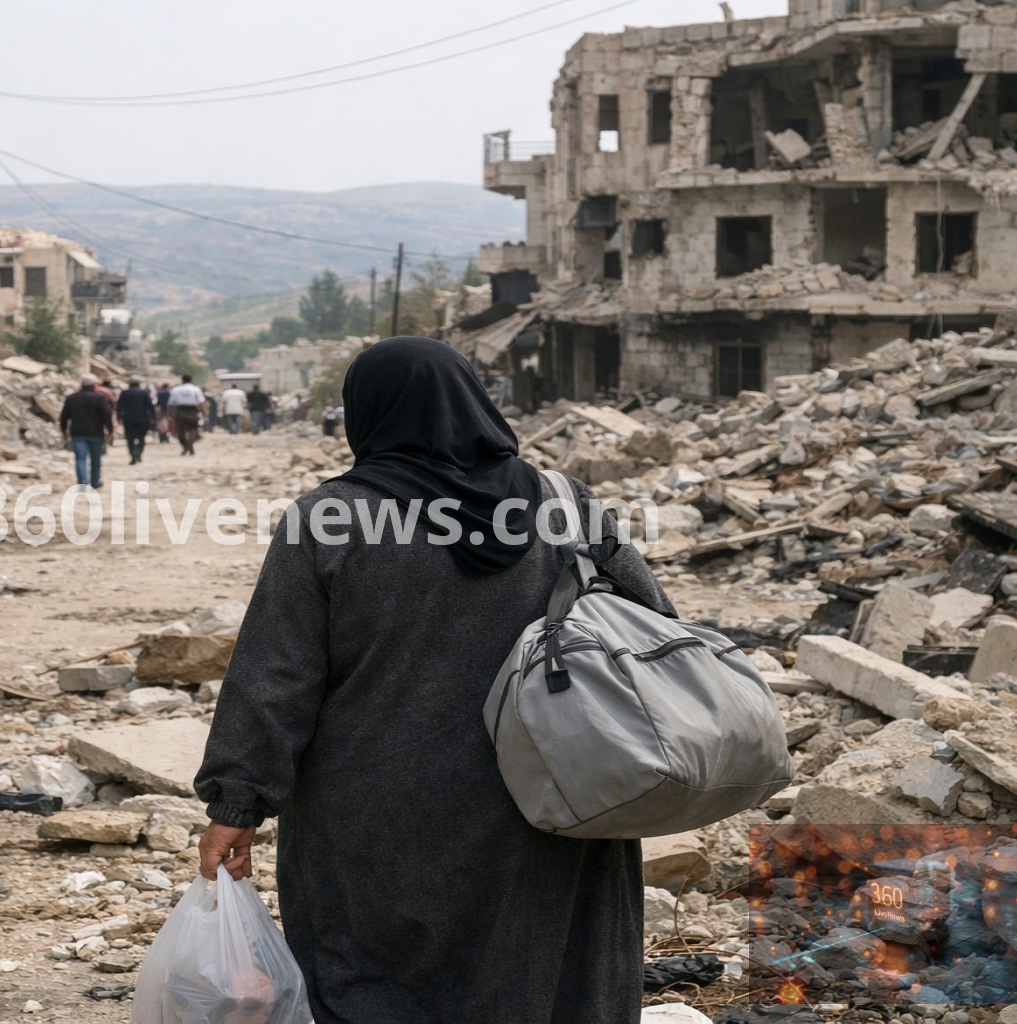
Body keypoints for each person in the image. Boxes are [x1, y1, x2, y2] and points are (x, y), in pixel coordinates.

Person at [193, 337, 675, 1023]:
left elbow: (276, 677)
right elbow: (652, 626)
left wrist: (235, 806)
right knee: (547, 979)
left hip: (380, 824)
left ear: (369, 414)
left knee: (375, 987)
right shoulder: (566, 505)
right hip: (555, 802)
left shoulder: (328, 520)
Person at [60, 374, 114, 488]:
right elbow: (106, 416)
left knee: (80, 458)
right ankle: (95, 482)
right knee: (96, 459)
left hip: (77, 433)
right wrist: (110, 431)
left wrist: (64, 431)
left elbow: (64, 416)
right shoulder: (100, 398)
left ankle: (83, 481)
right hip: (96, 434)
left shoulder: (71, 398)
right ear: (94, 385)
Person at [116, 377, 157, 466]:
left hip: (128, 419)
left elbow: (119, 407)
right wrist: (153, 417)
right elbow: (150, 406)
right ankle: (138, 453)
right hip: (143, 419)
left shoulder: (124, 393)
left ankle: (133, 456)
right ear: (139, 384)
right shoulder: (144, 393)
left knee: (130, 439)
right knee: (141, 438)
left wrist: (118, 418)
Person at [167, 374, 205, 456]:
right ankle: (190, 445)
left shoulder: (175, 390)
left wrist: (169, 414)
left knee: (181, 431)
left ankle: (186, 446)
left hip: (181, 411)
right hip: (193, 411)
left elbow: (170, 404)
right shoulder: (196, 389)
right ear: (190, 380)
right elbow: (201, 403)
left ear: (182, 380)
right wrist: (204, 413)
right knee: (193, 429)